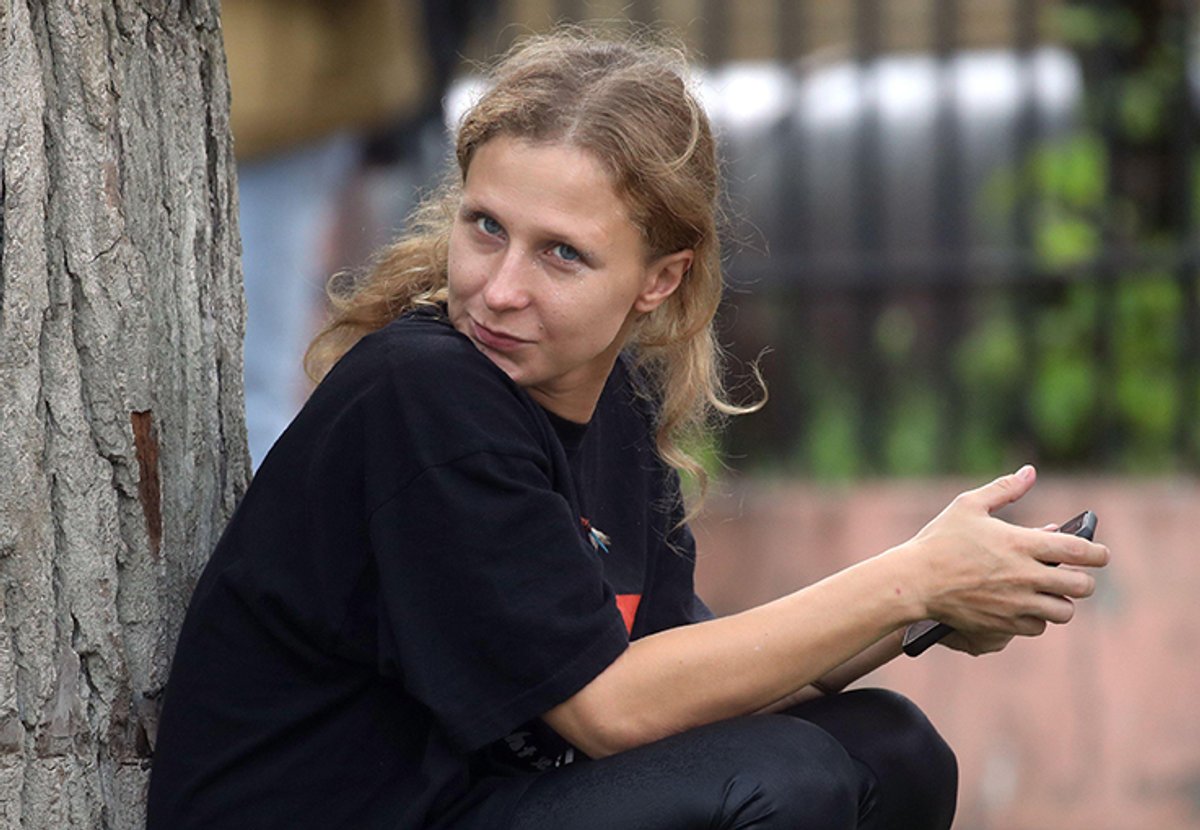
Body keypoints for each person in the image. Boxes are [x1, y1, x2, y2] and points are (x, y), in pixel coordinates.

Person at [146, 27, 1110, 830]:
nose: (502, 286)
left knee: (893, 747)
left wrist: (922, 610)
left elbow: (679, 677)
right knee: (783, 784)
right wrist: (907, 577)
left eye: (561, 253)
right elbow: (610, 710)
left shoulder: (612, 400)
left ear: (659, 280)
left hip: (476, 801)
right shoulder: (425, 390)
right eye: (485, 226)